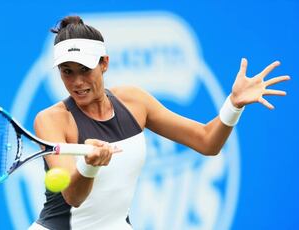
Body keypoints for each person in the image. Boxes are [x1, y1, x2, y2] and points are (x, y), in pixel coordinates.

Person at [29, 15, 290, 230]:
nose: (77, 82)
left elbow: (207, 141)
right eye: (67, 72)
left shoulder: (134, 102)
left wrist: (233, 104)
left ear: (104, 64)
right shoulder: (51, 120)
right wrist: (89, 165)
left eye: (85, 69)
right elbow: (73, 196)